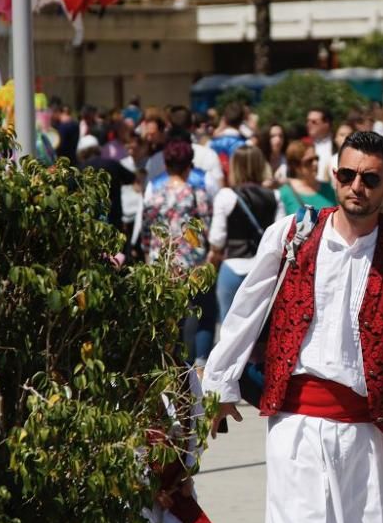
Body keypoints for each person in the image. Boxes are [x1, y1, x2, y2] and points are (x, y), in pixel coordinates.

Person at [202, 131, 383, 523]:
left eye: (370, 179)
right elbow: (245, 312)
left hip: (373, 436)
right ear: (333, 175)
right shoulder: (291, 235)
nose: (357, 187)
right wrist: (220, 384)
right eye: (348, 174)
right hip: (296, 428)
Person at [137, 139, 214, 366]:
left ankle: (167, 369)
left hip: (161, 266)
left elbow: (145, 236)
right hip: (191, 267)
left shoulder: (154, 197)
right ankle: (194, 369)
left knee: (166, 323)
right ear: (189, 166)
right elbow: (206, 230)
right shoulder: (197, 195)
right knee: (198, 319)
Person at [208, 144, 282, 326]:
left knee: (228, 333)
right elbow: (279, 238)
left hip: (233, 268)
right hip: (263, 272)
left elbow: (217, 239)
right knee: (259, 334)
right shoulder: (275, 196)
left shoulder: (225, 196)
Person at [76, 134, 136, 232]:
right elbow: (131, 179)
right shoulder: (112, 164)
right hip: (114, 222)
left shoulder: (78, 170)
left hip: (88, 226)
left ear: (82, 153)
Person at [277, 139, 336, 217]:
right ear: (296, 165)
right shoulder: (284, 193)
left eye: (316, 159)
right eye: (309, 161)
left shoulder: (328, 189)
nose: (315, 163)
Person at [306, 107, 334, 182]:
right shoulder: (304, 145)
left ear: (326, 123)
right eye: (308, 121)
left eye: (314, 122)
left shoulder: (337, 145)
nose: (308, 124)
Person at [259, 122, 288, 188]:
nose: (278, 140)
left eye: (281, 136)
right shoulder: (258, 160)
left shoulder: (287, 160)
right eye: (273, 136)